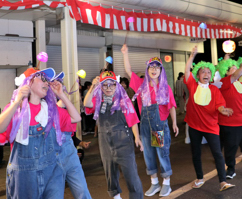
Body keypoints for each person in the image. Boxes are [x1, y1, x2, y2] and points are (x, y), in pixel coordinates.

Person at [0, 67, 91, 198]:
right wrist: (16, 101)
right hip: (24, 177)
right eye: (42, 79)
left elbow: (76, 118)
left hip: (52, 173)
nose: (47, 83)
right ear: (29, 82)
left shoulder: (51, 110)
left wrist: (61, 95)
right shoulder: (17, 109)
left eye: (47, 80)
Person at [121, 44, 179, 197]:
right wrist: (125, 54)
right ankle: (155, 183)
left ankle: (166, 183)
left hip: (159, 126)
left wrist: (174, 122)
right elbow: (128, 71)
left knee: (161, 153)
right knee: (148, 154)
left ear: (161, 71)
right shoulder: (141, 85)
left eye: (157, 67)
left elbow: (172, 106)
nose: (154, 70)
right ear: (147, 70)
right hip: (145, 126)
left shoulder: (165, 87)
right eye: (151, 67)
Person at [84, 71, 144, 199]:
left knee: (131, 175)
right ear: (101, 86)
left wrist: (137, 138)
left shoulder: (123, 100)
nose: (108, 88)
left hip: (123, 142)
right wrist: (93, 87)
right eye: (105, 85)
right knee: (110, 174)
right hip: (105, 142)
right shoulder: (98, 100)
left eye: (112, 85)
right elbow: (86, 104)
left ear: (117, 85)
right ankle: (116, 197)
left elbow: (133, 121)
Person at [184, 46, 235, 191]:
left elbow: (219, 105)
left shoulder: (214, 89)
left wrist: (222, 110)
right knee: (196, 153)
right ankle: (200, 178)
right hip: (194, 126)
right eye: (202, 71)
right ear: (198, 75)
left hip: (211, 126)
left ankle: (223, 182)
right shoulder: (192, 85)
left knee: (218, 153)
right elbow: (187, 71)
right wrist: (192, 56)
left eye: (208, 72)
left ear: (211, 76)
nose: (206, 74)